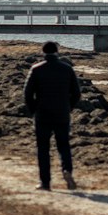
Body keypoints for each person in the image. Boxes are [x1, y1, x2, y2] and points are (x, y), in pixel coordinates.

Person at [24, 40, 81, 191]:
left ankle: (45, 182)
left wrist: (33, 110)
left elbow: (27, 93)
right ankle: (67, 170)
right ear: (57, 51)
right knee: (63, 145)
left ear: (43, 52)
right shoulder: (67, 69)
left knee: (43, 148)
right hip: (61, 112)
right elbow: (76, 93)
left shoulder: (36, 69)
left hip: (42, 113)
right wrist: (68, 107)